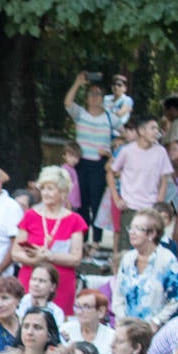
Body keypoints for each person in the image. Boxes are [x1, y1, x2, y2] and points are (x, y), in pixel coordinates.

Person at [12, 167, 87, 315]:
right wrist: (35, 260)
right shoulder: (30, 216)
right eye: (43, 188)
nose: (45, 193)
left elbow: (76, 258)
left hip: (60, 283)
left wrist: (50, 256)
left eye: (50, 189)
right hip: (31, 279)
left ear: (63, 192)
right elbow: (15, 253)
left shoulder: (75, 220)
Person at [107, 118, 174, 252]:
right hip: (130, 206)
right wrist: (116, 198)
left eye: (157, 128)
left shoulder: (161, 152)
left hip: (151, 207)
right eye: (152, 128)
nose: (156, 132)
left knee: (149, 248)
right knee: (126, 249)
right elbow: (110, 173)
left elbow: (164, 179)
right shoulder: (127, 151)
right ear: (142, 131)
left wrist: (159, 204)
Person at [63, 73, 119, 236]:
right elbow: (68, 103)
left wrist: (111, 151)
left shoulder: (110, 118)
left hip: (99, 163)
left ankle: (96, 239)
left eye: (98, 94)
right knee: (82, 201)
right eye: (91, 94)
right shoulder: (80, 113)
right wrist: (77, 83)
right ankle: (82, 237)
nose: (94, 97)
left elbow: (126, 135)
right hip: (81, 162)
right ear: (86, 98)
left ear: (103, 98)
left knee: (97, 202)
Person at [113, 209, 178, 325]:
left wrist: (155, 322)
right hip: (128, 328)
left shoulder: (167, 260)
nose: (132, 232)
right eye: (131, 228)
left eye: (138, 229)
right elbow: (118, 296)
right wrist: (123, 321)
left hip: (157, 330)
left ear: (152, 234)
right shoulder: (127, 259)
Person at [61, 288, 115, 354]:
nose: (79, 312)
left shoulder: (111, 336)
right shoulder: (65, 330)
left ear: (101, 312)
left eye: (86, 307)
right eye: (77, 307)